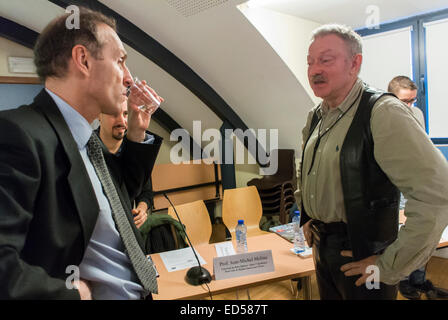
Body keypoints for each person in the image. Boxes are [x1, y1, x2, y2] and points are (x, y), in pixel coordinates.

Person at [0, 8, 163, 300]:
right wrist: (73, 295)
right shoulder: (17, 135)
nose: (128, 78)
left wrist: (137, 133)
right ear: (83, 60)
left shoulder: (89, 143)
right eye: (120, 61)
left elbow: (125, 197)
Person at [296, 24, 448, 300]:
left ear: (355, 64)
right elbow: (306, 168)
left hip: (365, 256)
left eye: (326, 60)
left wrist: (389, 265)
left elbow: (437, 195)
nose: (314, 70)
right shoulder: (316, 116)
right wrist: (307, 214)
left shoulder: (383, 112)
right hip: (322, 250)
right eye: (310, 62)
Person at [388, 76, 448, 300]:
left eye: (413, 100)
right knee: (404, 237)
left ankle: (419, 280)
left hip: (419, 181)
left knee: (423, 235)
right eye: (405, 101)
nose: (411, 106)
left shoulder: (417, 113)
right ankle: (404, 282)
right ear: (391, 97)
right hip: (396, 183)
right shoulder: (382, 117)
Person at [96, 100, 154, 228]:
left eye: (126, 114)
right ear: (98, 115)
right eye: (114, 114)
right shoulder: (87, 148)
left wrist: (141, 209)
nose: (122, 121)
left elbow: (146, 192)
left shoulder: (134, 151)